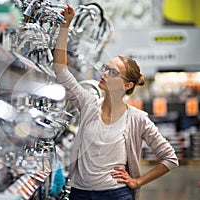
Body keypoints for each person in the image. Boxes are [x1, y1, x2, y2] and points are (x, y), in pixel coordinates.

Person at [53, 4, 179, 200]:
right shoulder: (88, 104)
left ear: (127, 85)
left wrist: (137, 182)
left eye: (113, 72)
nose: (104, 74)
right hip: (80, 194)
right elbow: (60, 69)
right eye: (106, 68)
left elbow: (170, 158)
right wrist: (65, 27)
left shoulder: (138, 119)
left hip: (116, 195)